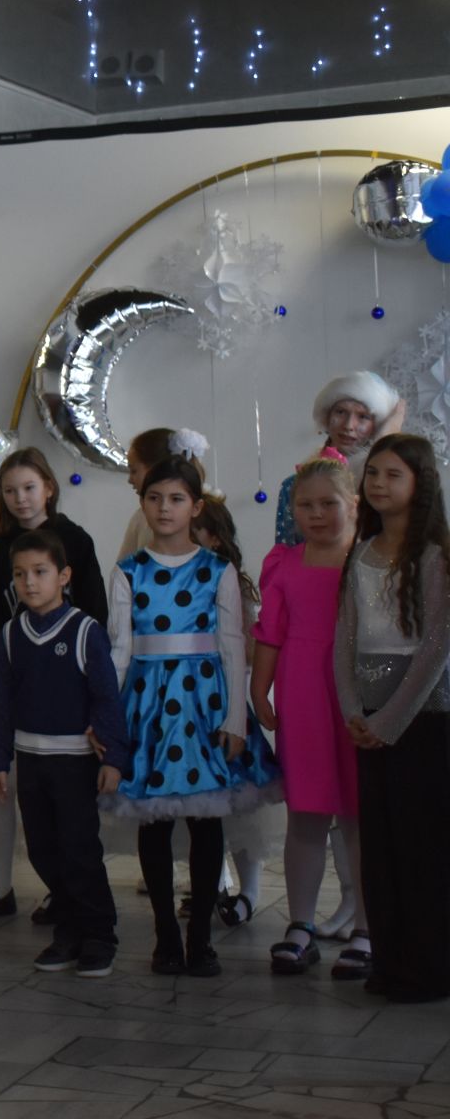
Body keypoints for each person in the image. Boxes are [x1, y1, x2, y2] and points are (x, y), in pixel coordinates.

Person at [105, 457, 279, 977]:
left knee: (207, 822)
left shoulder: (217, 570)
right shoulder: (128, 570)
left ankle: (201, 936)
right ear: (142, 503)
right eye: (154, 497)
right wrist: (112, 722)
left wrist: (235, 720)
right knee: (153, 824)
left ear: (196, 507)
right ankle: (165, 936)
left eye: (176, 499)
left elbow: (231, 647)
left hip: (203, 704)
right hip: (148, 704)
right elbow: (119, 648)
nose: (164, 507)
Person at [0, 446, 108, 924]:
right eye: (10, 491)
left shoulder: (76, 541)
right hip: (10, 691)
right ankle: (1, 885)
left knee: (64, 804)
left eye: (28, 487)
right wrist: (6, 682)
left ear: (48, 486)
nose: (20, 499)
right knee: (4, 785)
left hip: (68, 697)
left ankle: (63, 889)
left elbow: (95, 615)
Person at [334, 433, 450, 1003]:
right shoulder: (361, 552)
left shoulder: (433, 556)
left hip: (423, 720)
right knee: (379, 846)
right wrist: (355, 710)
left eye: (392, 475)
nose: (377, 483)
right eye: (372, 473)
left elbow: (435, 648)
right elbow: (345, 640)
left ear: (419, 484)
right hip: (371, 718)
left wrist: (389, 722)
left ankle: (429, 967)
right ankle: (392, 960)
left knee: (421, 844)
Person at [0, 529, 130, 979]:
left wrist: (113, 757)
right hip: (30, 761)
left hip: (74, 762)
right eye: (20, 574)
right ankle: (67, 931)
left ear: (64, 576)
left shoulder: (86, 631)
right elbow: (3, 701)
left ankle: (99, 935)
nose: (30, 582)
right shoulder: (10, 635)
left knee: (79, 850)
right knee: (43, 851)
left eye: (40, 572)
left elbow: (106, 696)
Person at [252, 452, 365, 978]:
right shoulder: (283, 563)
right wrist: (259, 690)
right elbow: (270, 633)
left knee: (360, 816)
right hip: (301, 694)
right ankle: (300, 923)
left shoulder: (368, 561)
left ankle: (368, 926)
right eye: (306, 505)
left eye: (329, 504)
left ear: (355, 506)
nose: (317, 514)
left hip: (358, 695)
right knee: (307, 813)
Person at [191, 493, 266, 928]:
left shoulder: (235, 585)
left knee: (240, 806)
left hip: (226, 708)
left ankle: (250, 889)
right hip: (189, 710)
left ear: (215, 540)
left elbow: (250, 651)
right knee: (204, 807)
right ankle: (211, 884)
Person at [274, 371, 404, 548]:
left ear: (377, 425)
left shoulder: (381, 487)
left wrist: (383, 444)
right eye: (341, 412)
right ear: (327, 417)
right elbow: (286, 553)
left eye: (363, 416)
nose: (349, 425)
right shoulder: (294, 486)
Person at [119, 428, 179, 561]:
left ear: (155, 469)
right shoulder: (140, 517)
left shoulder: (199, 516)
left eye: (134, 471)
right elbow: (124, 568)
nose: (130, 480)